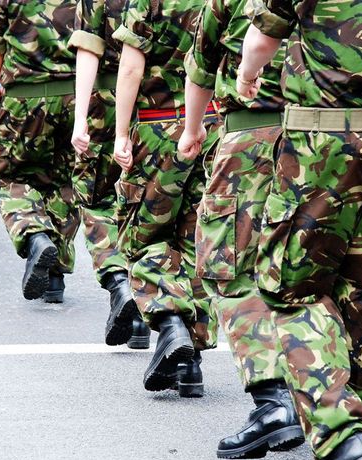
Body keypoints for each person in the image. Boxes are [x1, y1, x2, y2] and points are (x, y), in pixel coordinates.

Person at [235, 0, 362, 460]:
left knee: (292, 289)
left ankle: (342, 429)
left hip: (321, 143)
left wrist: (247, 74)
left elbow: (262, 38)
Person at [177, 0, 304, 457]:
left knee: (229, 266)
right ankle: (345, 416)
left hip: (247, 140)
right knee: (312, 268)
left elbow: (202, 67)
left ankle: (273, 401)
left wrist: (192, 131)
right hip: (319, 141)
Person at [111, 0, 221, 396]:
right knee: (198, 238)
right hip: (212, 123)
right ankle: (190, 363)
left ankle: (171, 324)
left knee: (143, 233)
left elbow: (130, 66)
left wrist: (122, 132)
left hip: (158, 126)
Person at [0, 0, 79, 303]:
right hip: (76, 96)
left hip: (24, 97)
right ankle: (55, 274)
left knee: (6, 176)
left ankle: (34, 235)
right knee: (66, 181)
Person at [68, 0, 150, 347]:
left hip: (109, 100)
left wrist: (81, 117)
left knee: (97, 200)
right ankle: (149, 316)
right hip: (162, 106)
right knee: (148, 210)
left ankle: (119, 282)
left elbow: (89, 50)